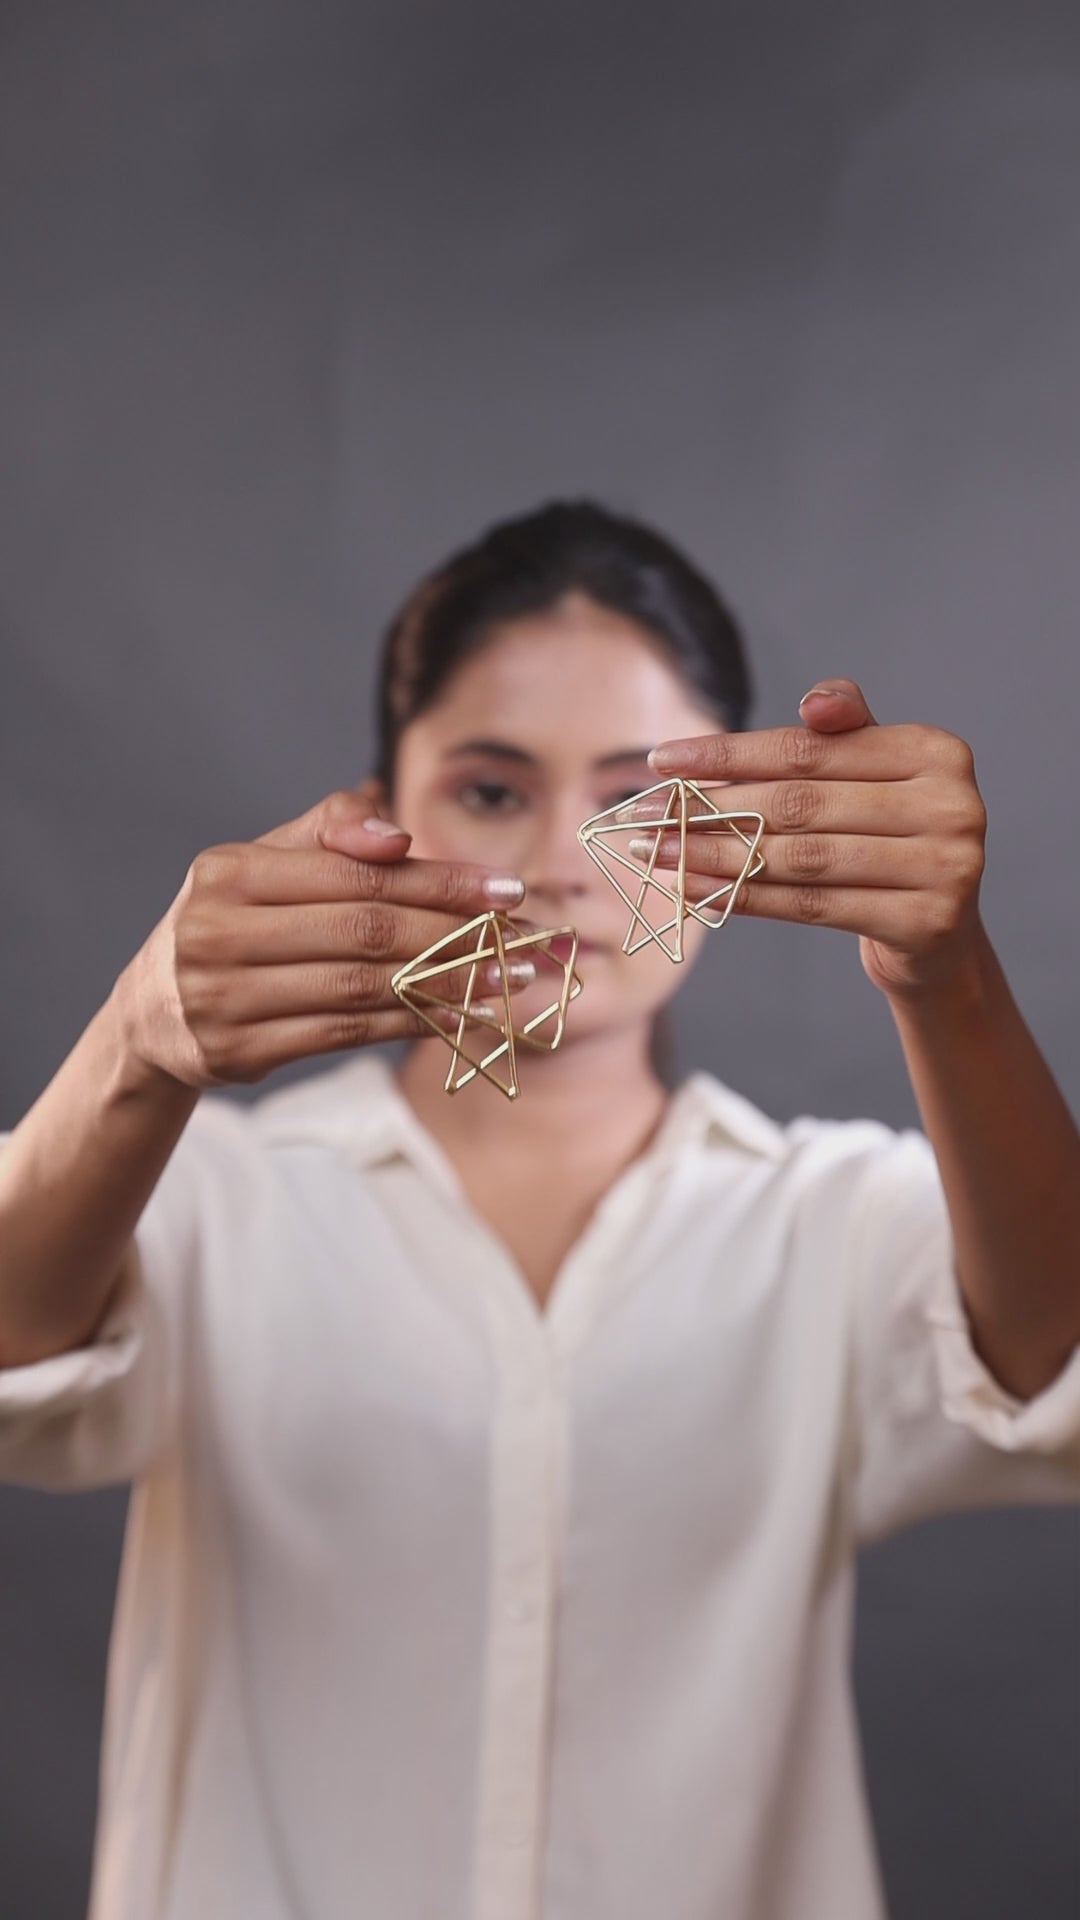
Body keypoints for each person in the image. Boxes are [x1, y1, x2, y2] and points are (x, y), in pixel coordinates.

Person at [1, 498, 1078, 1920]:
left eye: (637, 800)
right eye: (496, 790)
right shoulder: (215, 1201)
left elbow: (1051, 1352)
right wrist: (135, 1043)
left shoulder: (829, 1221)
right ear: (385, 812)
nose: (572, 861)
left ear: (746, 834)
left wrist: (952, 980)